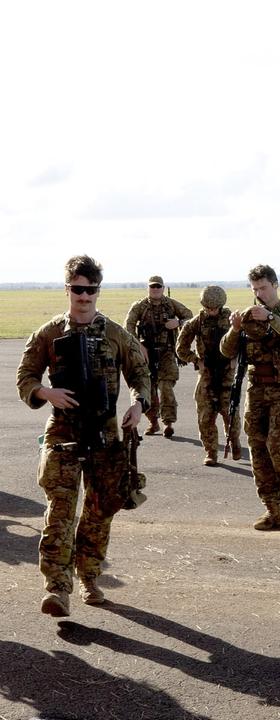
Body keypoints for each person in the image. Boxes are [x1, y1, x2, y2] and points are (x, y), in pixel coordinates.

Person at [16, 255, 151, 615]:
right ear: (67, 289)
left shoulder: (114, 334)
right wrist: (46, 393)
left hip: (106, 435)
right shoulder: (49, 333)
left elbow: (141, 374)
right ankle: (57, 588)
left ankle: (90, 576)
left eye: (90, 290)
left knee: (98, 511)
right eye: (78, 289)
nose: (84, 296)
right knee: (60, 512)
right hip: (63, 433)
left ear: (97, 291)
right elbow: (25, 377)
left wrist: (139, 405)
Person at [219, 265, 280, 531]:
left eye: (264, 288)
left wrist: (270, 318)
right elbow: (227, 351)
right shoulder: (248, 315)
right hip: (256, 389)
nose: (259, 293)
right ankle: (272, 509)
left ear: (275, 285)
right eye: (255, 289)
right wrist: (235, 329)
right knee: (258, 450)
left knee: (278, 443)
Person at [175, 285, 242, 466]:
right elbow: (180, 348)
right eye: (208, 308)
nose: (211, 311)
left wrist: (237, 358)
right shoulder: (196, 322)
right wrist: (196, 360)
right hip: (207, 375)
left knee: (231, 414)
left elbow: (246, 343)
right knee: (205, 417)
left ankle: (234, 441)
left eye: (214, 308)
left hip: (228, 375)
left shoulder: (232, 320)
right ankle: (211, 451)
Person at [125, 275, 193, 437]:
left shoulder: (171, 304)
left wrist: (178, 323)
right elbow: (128, 326)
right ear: (148, 288)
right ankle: (153, 422)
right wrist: (139, 347)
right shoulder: (140, 306)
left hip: (167, 352)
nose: (155, 289)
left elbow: (190, 317)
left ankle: (167, 422)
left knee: (166, 386)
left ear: (163, 288)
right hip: (147, 353)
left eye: (158, 286)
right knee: (149, 388)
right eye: (152, 286)